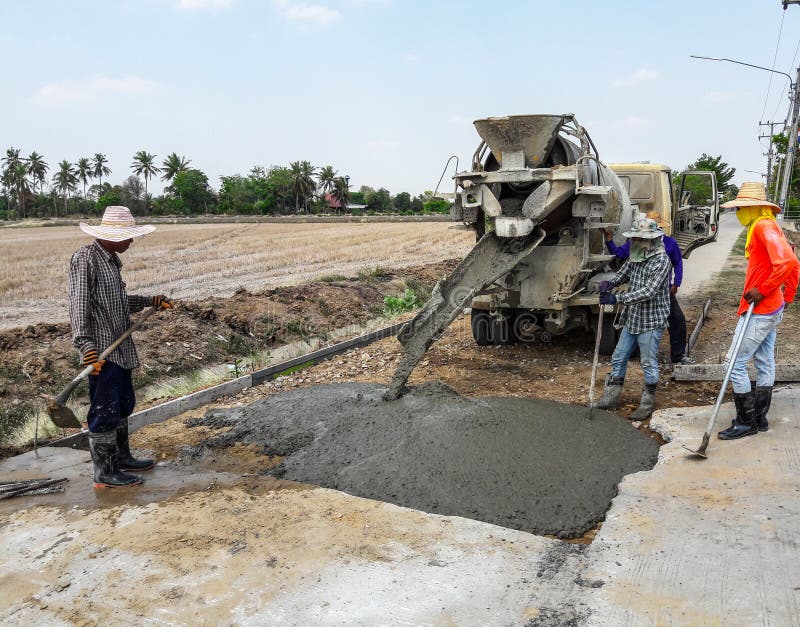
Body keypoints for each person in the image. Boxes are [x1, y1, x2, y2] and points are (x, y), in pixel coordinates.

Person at [68, 206, 173, 489]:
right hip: (101, 351)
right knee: (105, 409)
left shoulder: (111, 261)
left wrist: (150, 301)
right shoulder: (86, 259)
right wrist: (85, 345)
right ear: (111, 236)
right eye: (127, 236)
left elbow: (119, 302)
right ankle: (105, 472)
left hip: (120, 348)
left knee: (124, 403)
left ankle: (122, 457)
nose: (131, 241)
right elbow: (78, 306)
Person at [716, 183, 799, 439]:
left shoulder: (764, 226)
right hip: (770, 307)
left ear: (755, 207)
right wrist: (787, 296)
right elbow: (792, 262)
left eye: (741, 207)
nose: (739, 212)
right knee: (764, 361)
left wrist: (763, 290)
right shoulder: (762, 226)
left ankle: (746, 422)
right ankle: (759, 418)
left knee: (734, 363)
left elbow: (787, 262)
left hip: (761, 309)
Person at [592, 217, 672, 420]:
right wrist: (610, 283)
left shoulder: (661, 261)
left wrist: (617, 297)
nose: (634, 242)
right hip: (633, 317)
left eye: (639, 238)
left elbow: (648, 292)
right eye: (634, 238)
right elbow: (624, 272)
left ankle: (646, 403)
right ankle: (610, 397)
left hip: (651, 320)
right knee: (619, 356)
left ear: (651, 240)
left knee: (648, 362)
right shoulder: (636, 255)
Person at [603, 210, 693, 366]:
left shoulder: (669, 244)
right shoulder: (635, 244)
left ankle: (678, 356)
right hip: (640, 291)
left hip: (662, 291)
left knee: (677, 321)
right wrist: (609, 241)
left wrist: (676, 283)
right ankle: (634, 354)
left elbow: (677, 263)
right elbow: (621, 256)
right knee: (636, 324)